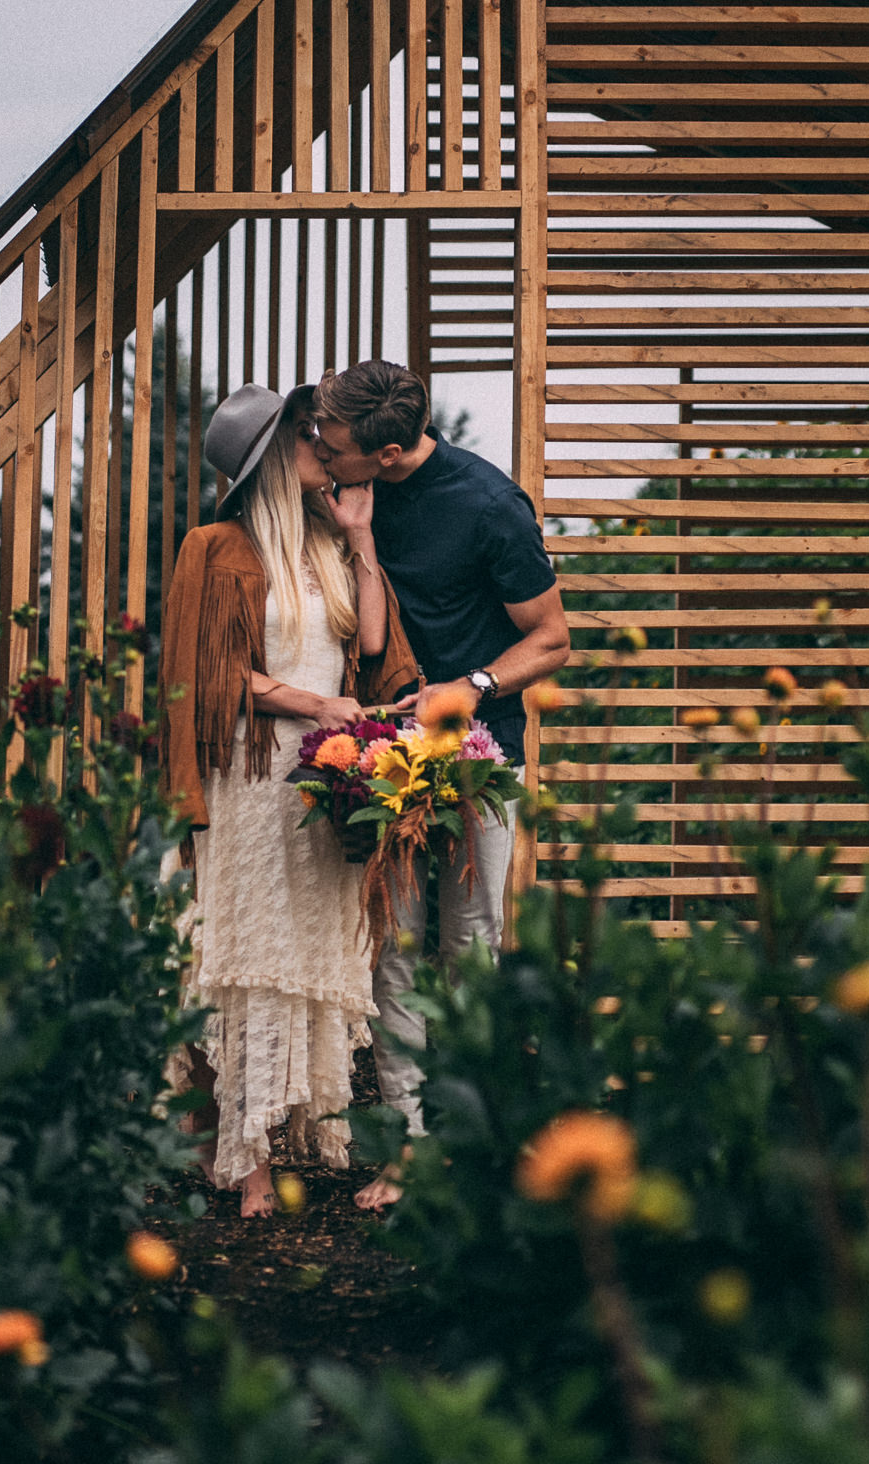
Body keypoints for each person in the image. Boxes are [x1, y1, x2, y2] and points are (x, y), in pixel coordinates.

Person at [312, 361, 570, 1208]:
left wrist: (475, 688)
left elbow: (551, 640)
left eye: (333, 440)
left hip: (481, 759)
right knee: (395, 951)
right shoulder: (350, 497)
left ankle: (475, 1139)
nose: (318, 447)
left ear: (386, 452)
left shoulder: (491, 507)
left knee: (471, 949)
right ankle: (409, 1151)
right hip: (380, 761)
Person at [159, 382, 416, 1218]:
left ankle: (292, 1128)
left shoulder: (324, 544)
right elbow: (207, 674)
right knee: (254, 961)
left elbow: (371, 644)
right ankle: (247, 1161)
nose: (320, 440)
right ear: (270, 456)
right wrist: (310, 705)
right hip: (252, 776)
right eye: (303, 434)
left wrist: (361, 538)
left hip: (319, 776)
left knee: (308, 954)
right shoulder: (215, 546)